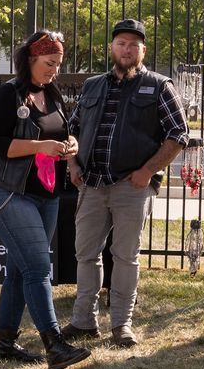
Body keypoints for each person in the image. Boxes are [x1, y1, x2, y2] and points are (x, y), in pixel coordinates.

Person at [61, 19, 188, 349]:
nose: (127, 49)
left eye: (134, 44)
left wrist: (148, 170)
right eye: (121, 43)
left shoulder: (160, 86)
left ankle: (122, 324)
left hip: (131, 187)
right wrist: (73, 164)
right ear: (111, 48)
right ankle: (83, 321)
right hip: (91, 184)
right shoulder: (91, 86)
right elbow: (70, 131)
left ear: (143, 50)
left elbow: (179, 134)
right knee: (86, 255)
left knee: (125, 256)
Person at [0, 30, 91, 369]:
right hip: (6, 190)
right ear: (30, 59)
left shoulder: (52, 94)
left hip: (46, 192)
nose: (54, 70)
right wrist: (39, 147)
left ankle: (6, 344)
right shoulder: (8, 94)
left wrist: (70, 145)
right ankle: (54, 345)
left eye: (57, 64)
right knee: (39, 267)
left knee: (19, 268)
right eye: (48, 63)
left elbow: (63, 130)